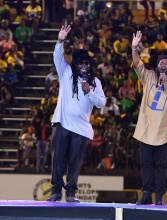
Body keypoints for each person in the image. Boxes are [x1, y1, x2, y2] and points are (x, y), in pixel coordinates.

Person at [46, 25, 106, 203]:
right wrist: (60, 41)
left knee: (74, 163)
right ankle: (56, 191)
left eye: (87, 63)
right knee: (58, 160)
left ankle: (71, 193)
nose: (84, 66)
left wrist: (89, 91)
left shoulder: (95, 82)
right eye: (81, 63)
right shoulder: (65, 74)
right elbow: (57, 58)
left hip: (81, 128)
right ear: (75, 64)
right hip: (62, 123)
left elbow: (102, 103)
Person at [131, 31, 167, 205]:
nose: (163, 65)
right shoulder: (149, 77)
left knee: (161, 165)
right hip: (146, 128)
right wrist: (134, 47)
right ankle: (146, 194)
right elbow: (138, 64)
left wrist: (166, 84)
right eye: (161, 62)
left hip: (163, 131)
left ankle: (159, 195)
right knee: (145, 163)